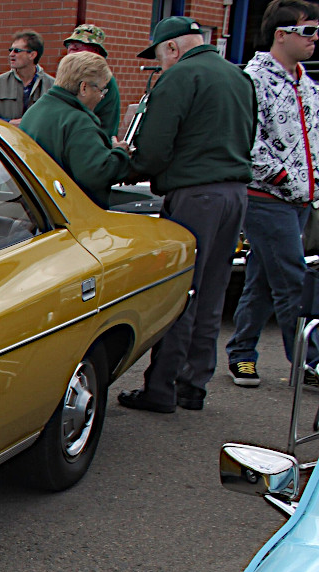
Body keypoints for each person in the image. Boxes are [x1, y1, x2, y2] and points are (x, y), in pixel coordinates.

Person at [118, 17, 257, 413]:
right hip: (235, 193)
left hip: (196, 194)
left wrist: (125, 165)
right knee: (212, 292)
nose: (160, 64)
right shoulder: (239, 77)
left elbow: (154, 149)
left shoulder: (179, 77)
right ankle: (194, 384)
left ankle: (162, 387)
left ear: (173, 48)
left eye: (160, 56)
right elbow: (248, 136)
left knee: (182, 291)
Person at [225, 0, 319, 390]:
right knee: (293, 278)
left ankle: (241, 352)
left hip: (300, 201)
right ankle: (313, 359)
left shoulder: (308, 85)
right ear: (281, 35)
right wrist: (284, 177)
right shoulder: (253, 81)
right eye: (308, 31)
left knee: (264, 278)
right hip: (266, 198)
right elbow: (247, 142)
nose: (315, 38)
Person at [20, 52, 132, 207]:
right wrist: (120, 153)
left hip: (37, 207)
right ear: (83, 87)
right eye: (101, 90)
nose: (101, 97)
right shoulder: (79, 123)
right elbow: (97, 175)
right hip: (70, 211)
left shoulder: (35, 111)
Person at [0, 31, 56, 124]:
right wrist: (9, 123)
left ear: (32, 55)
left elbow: (58, 119)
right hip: (8, 133)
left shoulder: (52, 85)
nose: (11, 54)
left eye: (17, 51)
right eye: (11, 50)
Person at [61, 24, 123, 138]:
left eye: (80, 44)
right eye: (70, 44)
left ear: (95, 52)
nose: (72, 47)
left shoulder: (101, 80)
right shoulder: (72, 76)